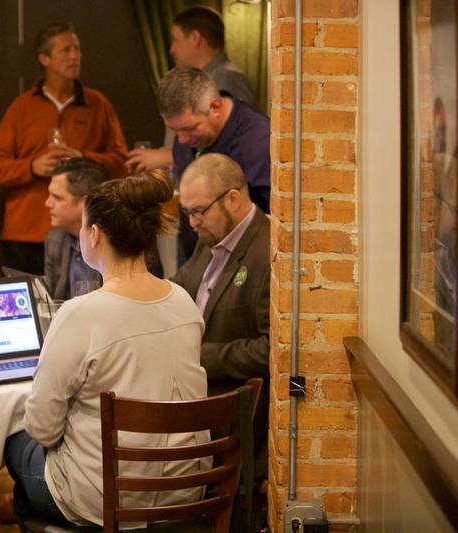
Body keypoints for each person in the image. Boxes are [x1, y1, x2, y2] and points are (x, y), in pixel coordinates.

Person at [4, 172, 209, 527]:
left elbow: (42, 428)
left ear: (94, 234)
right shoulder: (184, 303)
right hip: (185, 487)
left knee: (16, 443)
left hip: (106, 498)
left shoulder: (81, 314)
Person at [0, 22, 127, 275]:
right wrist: (31, 166)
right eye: (66, 50)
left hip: (83, 230)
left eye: (77, 49)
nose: (75, 56)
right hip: (26, 233)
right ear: (44, 58)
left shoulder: (97, 104)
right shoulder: (23, 107)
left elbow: (121, 162)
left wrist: (83, 158)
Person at [171, 154, 269, 480]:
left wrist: (199, 356)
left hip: (233, 413)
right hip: (191, 391)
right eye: (187, 213)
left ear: (233, 199)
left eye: (198, 211)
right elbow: (179, 287)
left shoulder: (268, 253)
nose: (192, 223)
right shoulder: (210, 238)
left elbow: (272, 349)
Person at [125, 6, 255, 175]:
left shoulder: (228, 78)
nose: (171, 49)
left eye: (175, 39)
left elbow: (232, 152)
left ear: (195, 38)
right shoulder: (198, 79)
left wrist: (168, 157)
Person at [156, 67, 270, 261]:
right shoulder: (186, 136)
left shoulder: (259, 140)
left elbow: (271, 218)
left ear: (215, 107)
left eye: (189, 129)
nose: (182, 140)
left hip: (243, 264)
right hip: (194, 257)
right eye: (175, 131)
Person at [43, 157, 106, 300]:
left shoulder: (119, 241)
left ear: (85, 203)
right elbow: (51, 300)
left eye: (57, 197)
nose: (47, 203)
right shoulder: (55, 239)